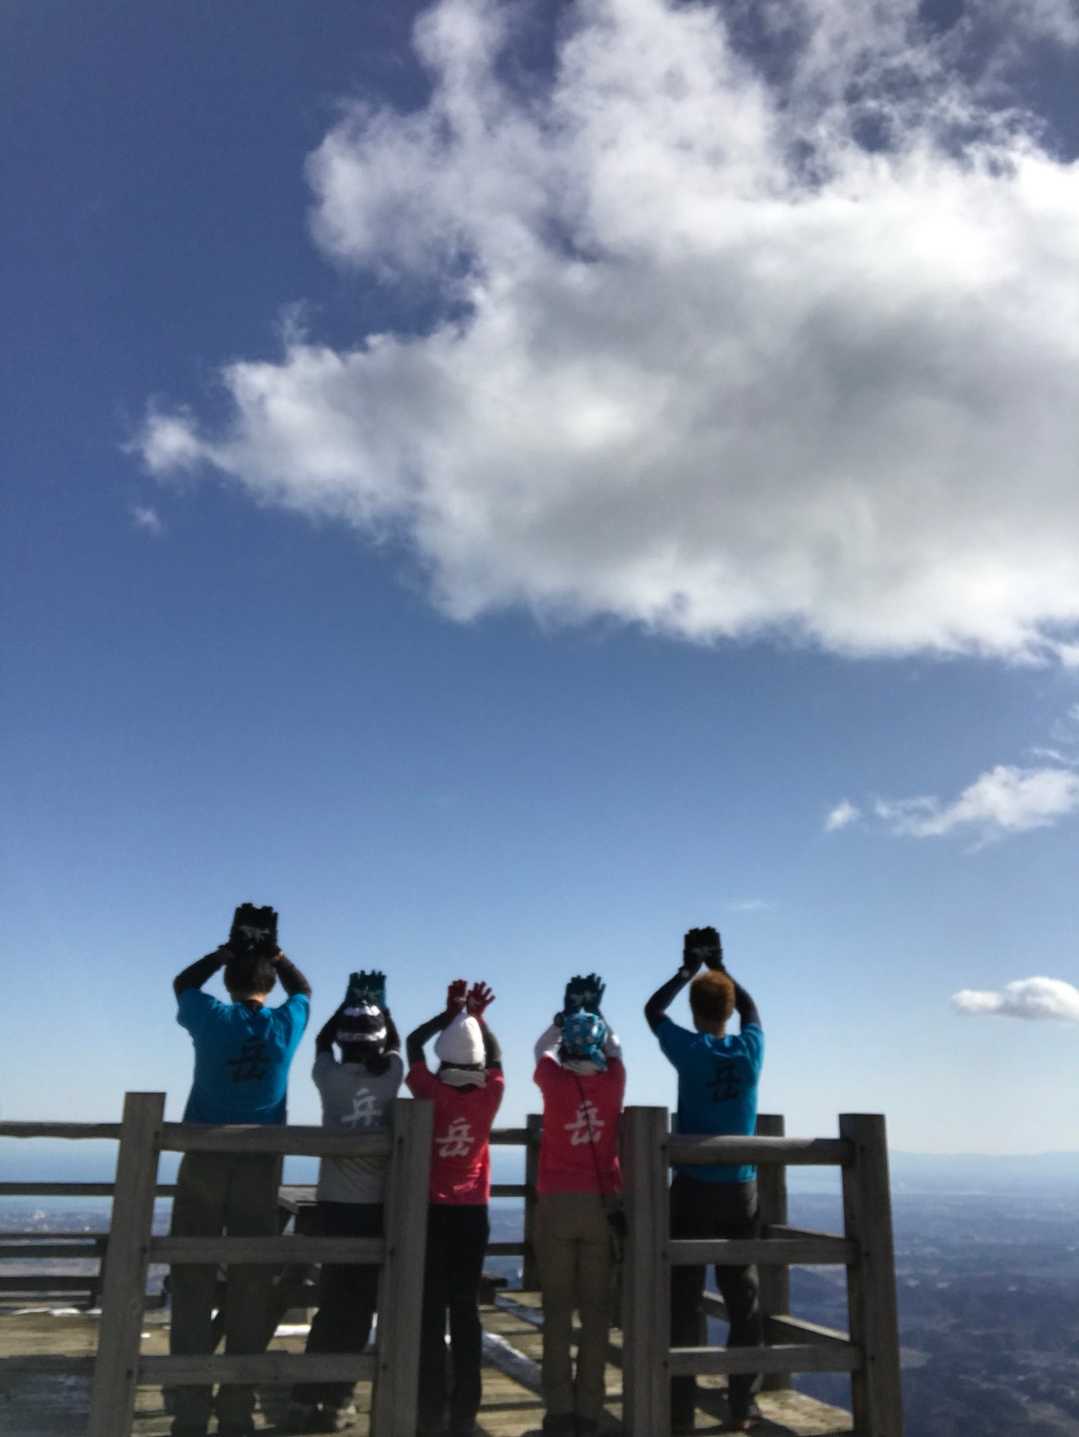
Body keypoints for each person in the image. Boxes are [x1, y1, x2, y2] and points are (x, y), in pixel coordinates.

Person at [168, 905, 311, 1437]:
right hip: (260, 1164)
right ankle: (237, 1406)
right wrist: (277, 955)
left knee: (192, 1277)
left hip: (204, 1158)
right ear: (268, 986)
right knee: (252, 1281)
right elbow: (304, 991)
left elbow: (183, 984)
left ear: (228, 981)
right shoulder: (285, 1024)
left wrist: (225, 953)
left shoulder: (211, 1018)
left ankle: (188, 1405)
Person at [645, 926, 765, 1435]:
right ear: (728, 1009)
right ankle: (743, 1404)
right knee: (743, 1299)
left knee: (685, 1298)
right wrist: (721, 969)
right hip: (741, 1188)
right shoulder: (750, 1050)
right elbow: (752, 1011)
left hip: (693, 1186)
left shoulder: (689, 1050)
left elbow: (653, 1011)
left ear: (695, 1013)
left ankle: (679, 1410)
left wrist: (687, 971)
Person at [287, 970, 403, 1434]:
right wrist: (381, 1007)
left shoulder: (328, 1078)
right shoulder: (389, 1078)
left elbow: (320, 1041)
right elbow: (396, 1045)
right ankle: (339, 1398)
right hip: (375, 1210)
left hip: (333, 1204)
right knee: (358, 1309)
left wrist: (346, 1004)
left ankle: (306, 1395)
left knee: (332, 1301)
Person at [406, 980, 504, 1437]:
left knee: (430, 1311)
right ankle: (465, 1412)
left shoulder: (429, 1091)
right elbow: (497, 1059)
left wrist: (449, 1015)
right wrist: (478, 1019)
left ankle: (428, 1408)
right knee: (466, 1311)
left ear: (444, 1061)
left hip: (432, 1212)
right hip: (472, 1214)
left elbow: (412, 1043)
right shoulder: (491, 1095)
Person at [533, 974, 625, 1437]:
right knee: (595, 1312)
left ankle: (558, 1411)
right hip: (600, 1205)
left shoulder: (552, 1082)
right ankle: (589, 1410)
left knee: (556, 1311)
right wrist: (596, 1015)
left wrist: (564, 1016)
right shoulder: (614, 1083)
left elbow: (541, 1049)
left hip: (555, 1203)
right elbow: (615, 1048)